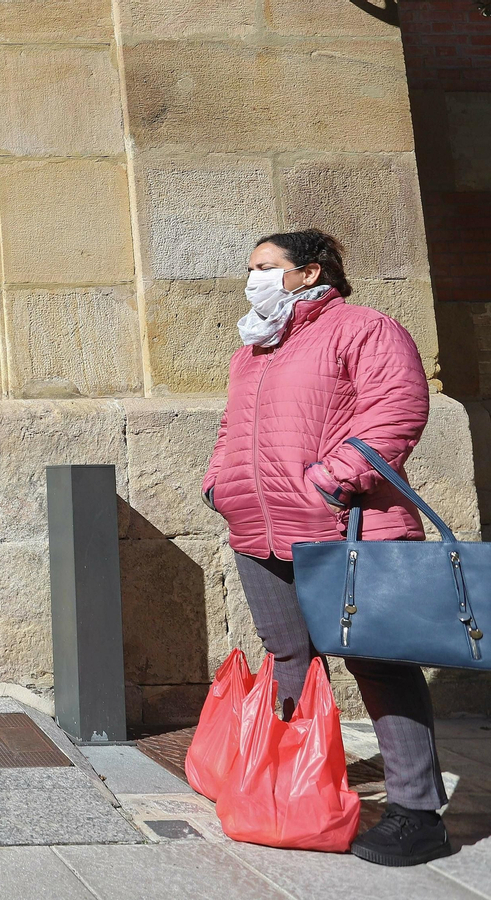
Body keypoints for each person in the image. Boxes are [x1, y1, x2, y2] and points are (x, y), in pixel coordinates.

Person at [203, 229, 450, 867]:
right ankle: (294, 788)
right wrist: (219, 484)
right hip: (258, 528)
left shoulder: (362, 329)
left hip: (346, 525)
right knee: (288, 655)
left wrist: (329, 481)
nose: (253, 278)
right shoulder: (255, 348)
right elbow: (234, 426)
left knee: (379, 661)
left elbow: (396, 410)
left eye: (266, 267)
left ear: (310, 272)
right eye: (250, 267)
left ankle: (417, 814)